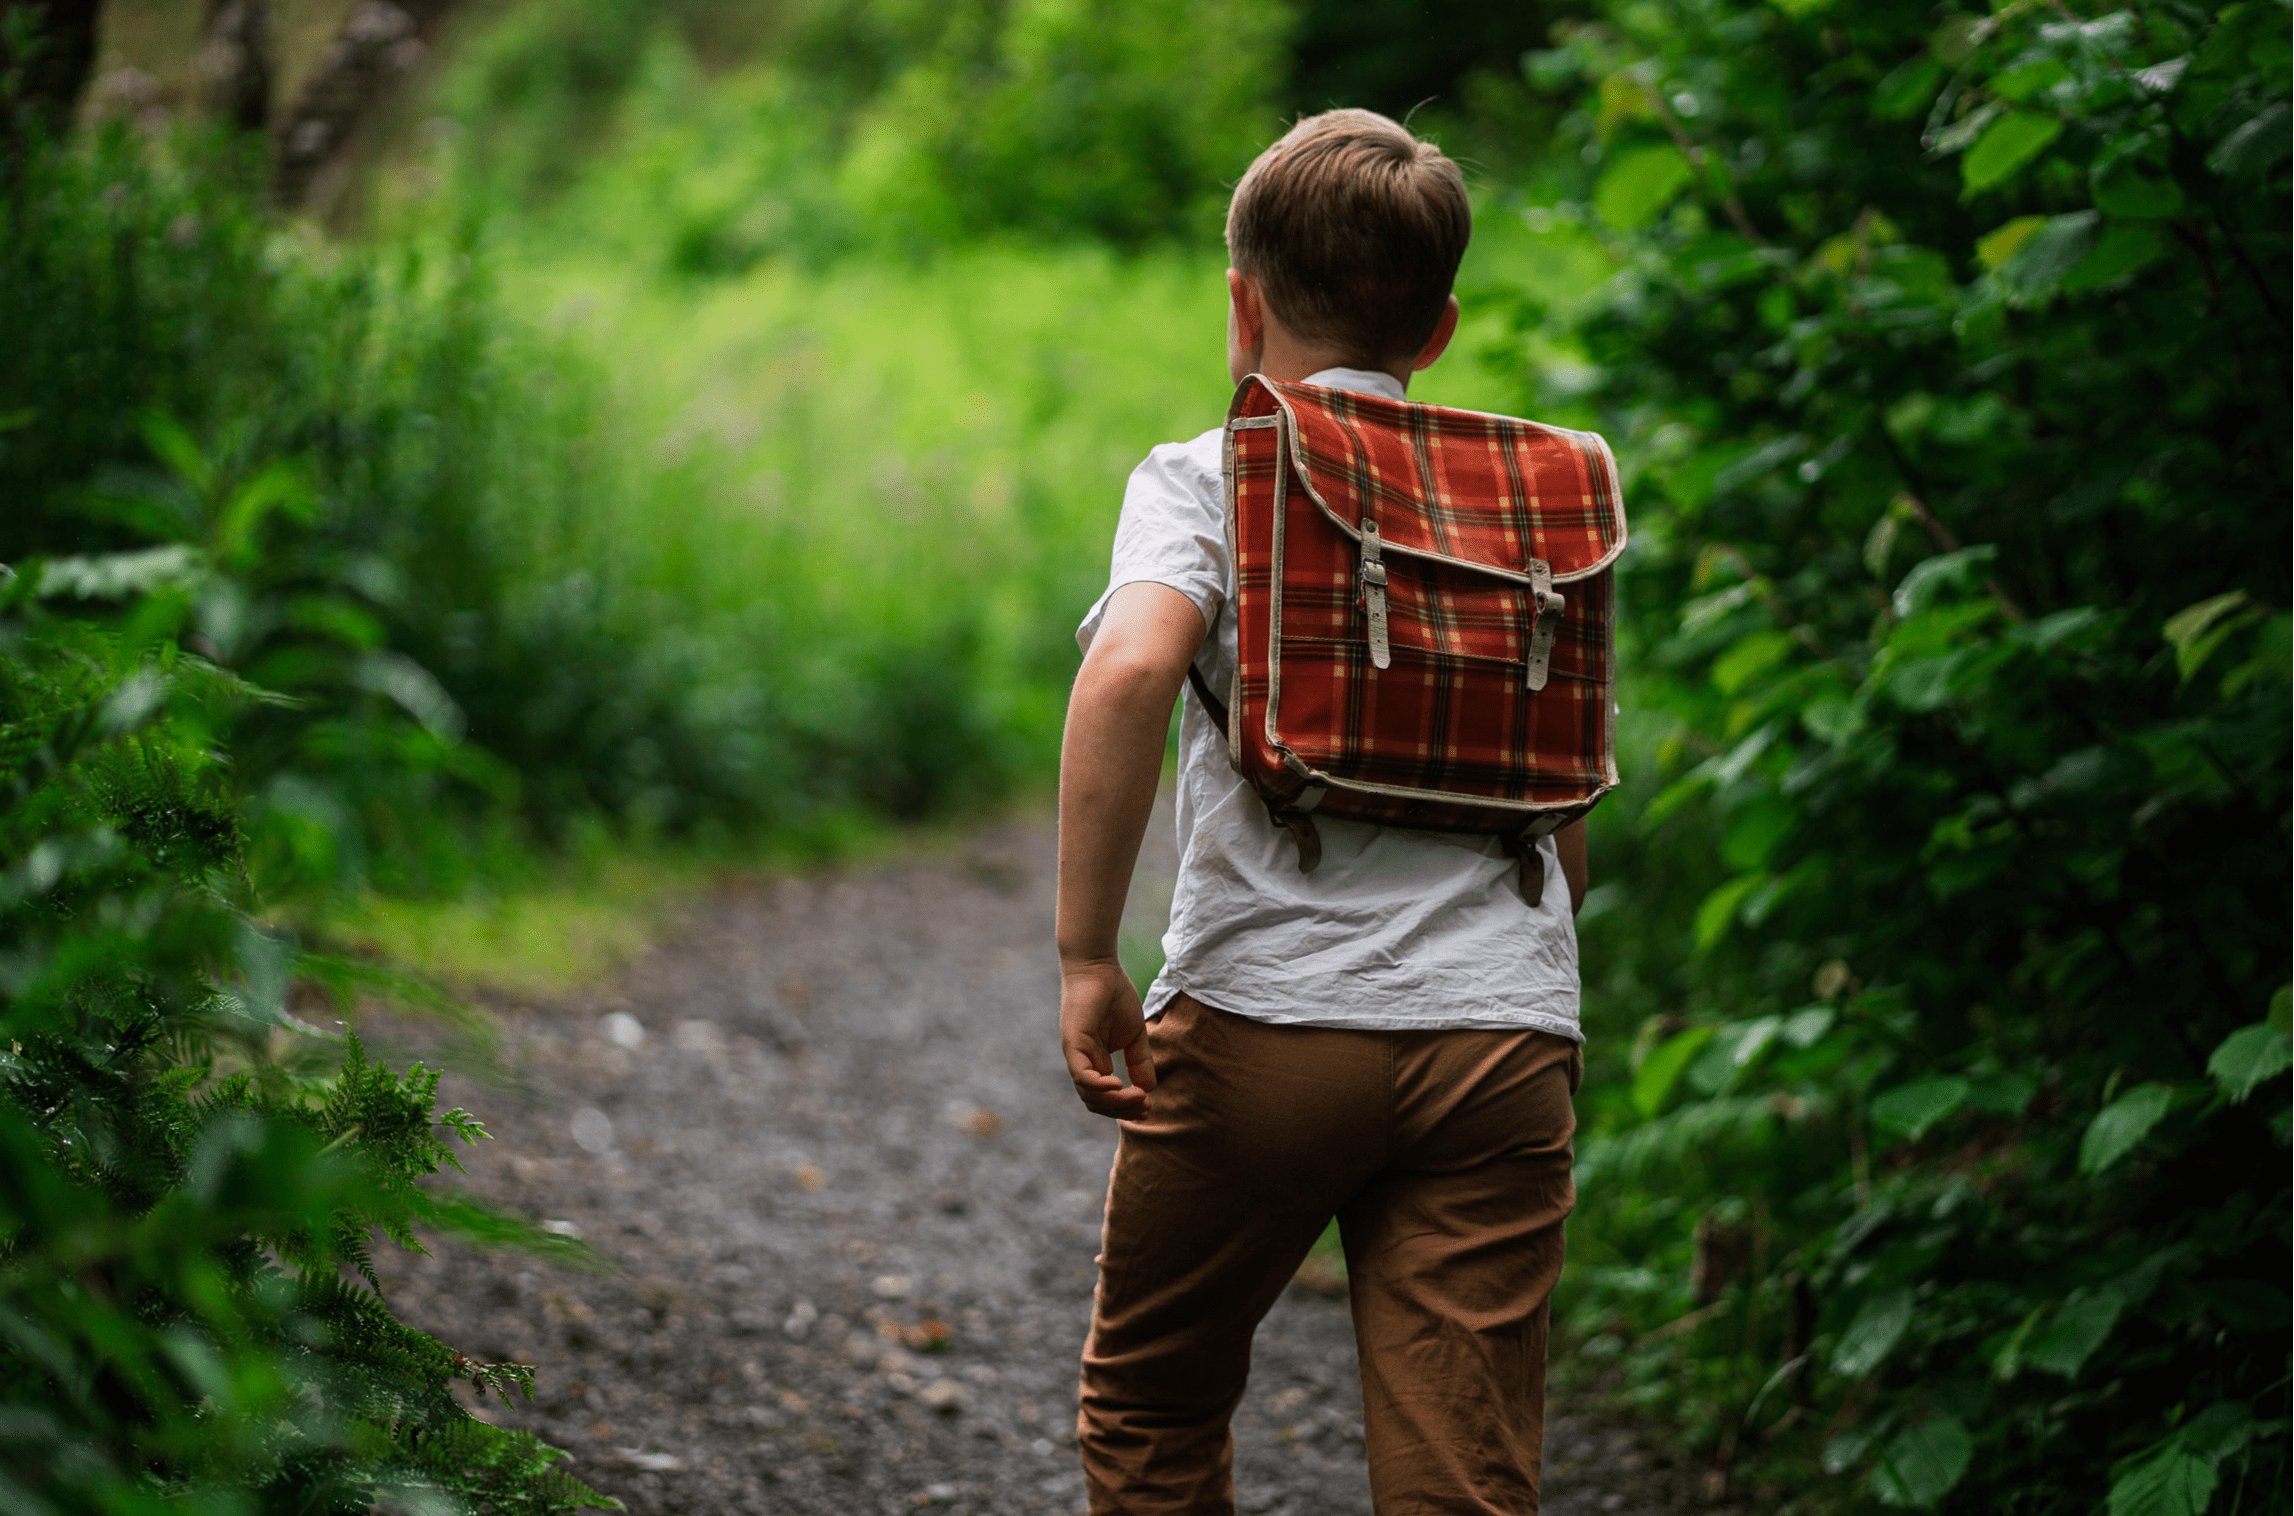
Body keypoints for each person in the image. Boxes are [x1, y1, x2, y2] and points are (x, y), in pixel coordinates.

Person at [1055, 109, 1591, 1515]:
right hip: (1503, 1033)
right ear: (1440, 326)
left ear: (1240, 303)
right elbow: (1560, 783)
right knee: (1460, 1465)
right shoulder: (1531, 506)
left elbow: (1125, 672)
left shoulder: (1208, 476)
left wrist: (1082, 954)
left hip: (1264, 1023)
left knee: (1155, 1403)